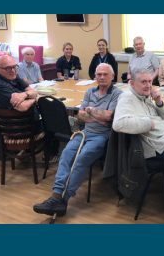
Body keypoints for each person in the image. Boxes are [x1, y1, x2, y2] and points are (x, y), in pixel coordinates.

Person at [32, 63, 121, 217]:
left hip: (102, 136)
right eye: (99, 74)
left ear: (112, 76)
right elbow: (80, 116)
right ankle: (56, 195)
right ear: (95, 76)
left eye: (105, 74)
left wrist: (90, 111)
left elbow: (109, 117)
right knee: (66, 154)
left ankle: (62, 200)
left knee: (81, 159)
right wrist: (97, 115)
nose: (101, 77)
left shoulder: (117, 94)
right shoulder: (90, 91)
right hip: (84, 133)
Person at [0, 55, 59, 162]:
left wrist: (24, 95)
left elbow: (33, 91)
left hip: (23, 123)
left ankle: (26, 152)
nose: (12, 70)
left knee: (50, 115)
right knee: (54, 121)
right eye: (8, 68)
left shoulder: (12, 76)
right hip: (17, 129)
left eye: (14, 66)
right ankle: (50, 155)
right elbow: (23, 107)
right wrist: (34, 99)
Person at [112, 68, 164, 160]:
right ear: (132, 84)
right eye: (143, 82)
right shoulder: (127, 97)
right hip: (157, 147)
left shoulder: (144, 95)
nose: (148, 85)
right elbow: (118, 124)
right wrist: (148, 123)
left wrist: (158, 102)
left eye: (149, 81)